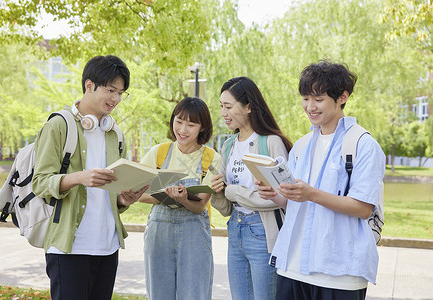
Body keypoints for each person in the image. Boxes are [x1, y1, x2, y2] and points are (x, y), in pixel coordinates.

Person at [257, 60, 386, 299]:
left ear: (343, 97)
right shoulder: (301, 145)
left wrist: (311, 194)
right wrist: (275, 194)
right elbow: (295, 203)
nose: (310, 107)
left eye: (319, 99)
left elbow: (364, 207)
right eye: (306, 98)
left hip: (340, 273)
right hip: (292, 267)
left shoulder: (363, 144)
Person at [32, 55, 148, 300]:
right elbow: (40, 182)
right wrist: (79, 178)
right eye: (110, 90)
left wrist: (125, 200)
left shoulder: (115, 134)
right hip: (69, 247)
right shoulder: (58, 126)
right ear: (88, 85)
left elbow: (112, 194)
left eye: (121, 93)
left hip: (107, 246)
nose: (116, 99)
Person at [210, 77, 293, 300]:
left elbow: (282, 195)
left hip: (263, 232)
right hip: (235, 228)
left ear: (248, 107)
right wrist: (215, 191)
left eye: (228, 106)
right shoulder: (228, 146)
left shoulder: (271, 142)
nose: (223, 113)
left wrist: (230, 191)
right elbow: (227, 207)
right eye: (221, 107)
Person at [138, 97, 221, 300]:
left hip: (194, 232)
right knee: (158, 294)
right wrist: (163, 197)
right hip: (159, 232)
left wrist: (183, 200)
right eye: (179, 121)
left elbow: (200, 205)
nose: (183, 130)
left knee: (195, 294)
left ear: (202, 128)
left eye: (191, 124)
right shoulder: (158, 152)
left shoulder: (211, 159)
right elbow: (137, 193)